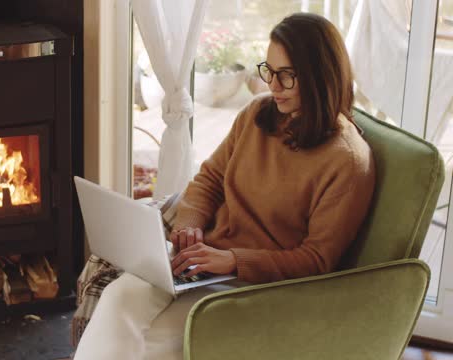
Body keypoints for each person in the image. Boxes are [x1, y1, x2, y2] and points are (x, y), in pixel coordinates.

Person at [73, 12, 376, 360]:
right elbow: (210, 179)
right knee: (119, 296)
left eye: (287, 76)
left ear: (321, 77)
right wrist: (189, 227)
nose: (272, 86)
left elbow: (316, 261)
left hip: (257, 286)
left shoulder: (348, 162)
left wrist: (232, 261)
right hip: (205, 261)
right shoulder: (257, 115)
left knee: (148, 345)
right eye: (269, 71)